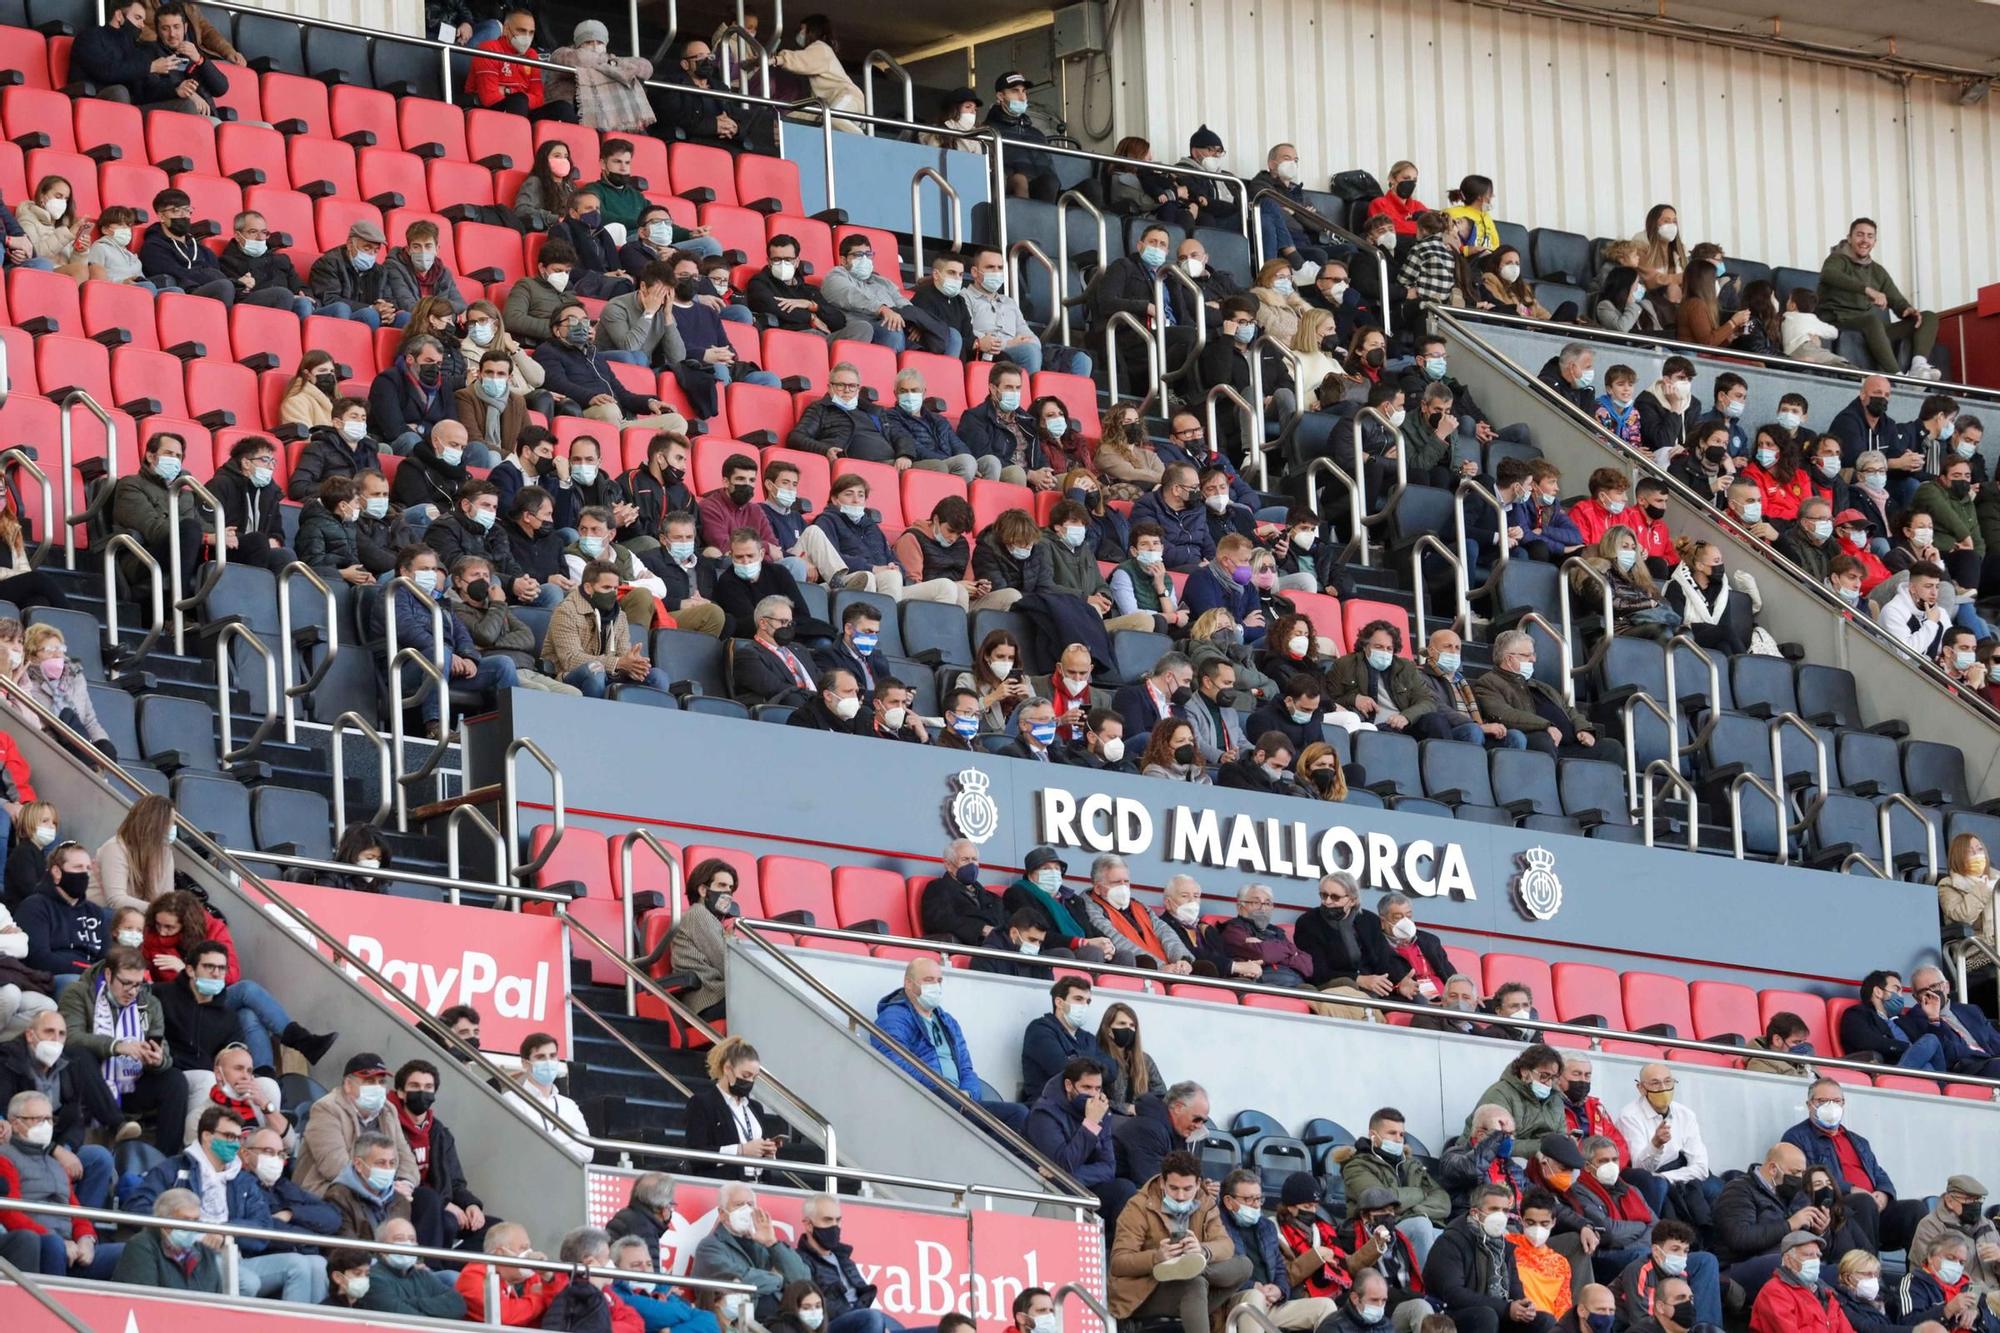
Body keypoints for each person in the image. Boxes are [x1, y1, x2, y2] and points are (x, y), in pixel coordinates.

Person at [127, 1104, 328, 1302]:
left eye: (238, 1138)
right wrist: (191, 1232)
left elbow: (263, 1226)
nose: (235, 1144)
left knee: (299, 1265)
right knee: (246, 1282)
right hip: (189, 1255)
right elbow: (137, 1206)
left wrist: (224, 1231)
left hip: (235, 1256)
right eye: (229, 1137)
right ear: (207, 1136)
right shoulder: (174, 1169)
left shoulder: (243, 1180)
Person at [870, 956, 1029, 1132]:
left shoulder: (948, 1021)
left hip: (959, 1100)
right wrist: (944, 1089)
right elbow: (894, 1061)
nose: (935, 986)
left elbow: (966, 1069)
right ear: (908, 983)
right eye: (928, 980)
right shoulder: (893, 1017)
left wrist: (967, 1094)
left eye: (939, 981)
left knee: (1019, 1114)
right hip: (926, 1098)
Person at [1109, 1149, 1253, 1333]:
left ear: (1198, 1183)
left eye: (1187, 1189)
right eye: (1174, 1188)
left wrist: (1202, 1251)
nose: (1180, 1196)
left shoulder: (1206, 1202)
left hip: (1193, 1284)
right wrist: (1157, 1257)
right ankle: (1189, 1270)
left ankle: (1193, 1268)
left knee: (1244, 1265)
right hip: (1145, 1292)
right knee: (1195, 1284)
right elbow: (1118, 1263)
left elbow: (1225, 1244)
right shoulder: (1138, 1206)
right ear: (1162, 1182)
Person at [0, 1086, 122, 1276]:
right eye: (37, 1119)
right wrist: (55, 1239)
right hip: (40, 1247)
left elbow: (75, 1209)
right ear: (15, 1124)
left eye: (49, 1119)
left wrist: (86, 1240)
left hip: (71, 1249)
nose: (45, 1125)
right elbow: (9, 1214)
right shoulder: (5, 1159)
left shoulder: (56, 1165)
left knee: (125, 1252)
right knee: (53, 1245)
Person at [1424, 1181, 1560, 1332]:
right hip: (1450, 1315)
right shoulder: (1451, 1241)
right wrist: (1506, 1308)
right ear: (1475, 1213)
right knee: (1487, 1316)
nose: (1501, 1216)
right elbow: (1454, 1294)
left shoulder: (1504, 1245)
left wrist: (1525, 1307)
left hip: (1495, 1312)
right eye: (1494, 1209)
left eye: (1504, 1210)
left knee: (1544, 1321)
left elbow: (1515, 1290)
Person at [1819, 217, 1941, 378]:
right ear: (1849, 238)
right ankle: (1898, 378)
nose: (1865, 240)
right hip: (1838, 323)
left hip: (1871, 329)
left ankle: (1918, 367)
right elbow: (1829, 275)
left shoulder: (1877, 270)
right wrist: (1867, 290)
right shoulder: (1836, 259)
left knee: (1928, 317)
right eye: (1860, 235)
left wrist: (1907, 309)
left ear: (1875, 241)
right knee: (1872, 320)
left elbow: (1895, 299)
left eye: (1870, 236)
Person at [535, 303, 686, 432]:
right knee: (609, 409)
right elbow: (558, 384)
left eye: (585, 321)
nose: (581, 326)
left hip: (617, 418)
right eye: (573, 321)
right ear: (556, 330)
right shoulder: (547, 351)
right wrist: (590, 397)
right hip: (585, 411)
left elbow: (621, 393)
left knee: (676, 421)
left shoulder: (595, 355)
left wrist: (650, 403)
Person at [1474, 631, 1621, 763]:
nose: (1533, 660)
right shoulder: (1488, 682)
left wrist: (1583, 729)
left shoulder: (1542, 686)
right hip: (1540, 742)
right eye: (1527, 655)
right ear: (1509, 659)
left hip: (1571, 745)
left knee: (1612, 747)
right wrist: (1546, 725)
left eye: (1534, 654)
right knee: (1542, 740)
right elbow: (1504, 714)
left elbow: (1569, 710)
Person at [1337, 1108, 1449, 1264]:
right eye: (1392, 1133)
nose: (1398, 1139)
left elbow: (1443, 1200)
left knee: (1455, 1235)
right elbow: (1380, 1201)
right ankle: (1426, 1287)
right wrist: (1420, 1193)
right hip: (1375, 1232)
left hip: (1415, 1223)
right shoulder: (1356, 1165)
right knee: (1420, 1226)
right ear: (1373, 1135)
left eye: (1401, 1134)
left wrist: (1414, 1211)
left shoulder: (1410, 1164)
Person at [691, 1180, 814, 1320]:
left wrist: (772, 1243)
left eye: (750, 1205)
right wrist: (779, 1279)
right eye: (739, 1205)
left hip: (782, 1319)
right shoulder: (709, 1247)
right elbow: (739, 1281)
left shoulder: (764, 1243)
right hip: (743, 1323)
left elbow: (802, 1279)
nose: (746, 1210)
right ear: (722, 1213)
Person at [75, 0, 226, 113]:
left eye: (176, 27)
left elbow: (221, 88)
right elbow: (106, 71)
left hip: (134, 107)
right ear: (119, 16)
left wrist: (200, 61)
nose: (142, 25)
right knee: (119, 91)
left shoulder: (135, 46)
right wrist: (152, 68)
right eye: (138, 18)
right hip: (94, 99)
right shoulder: (90, 36)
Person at [682, 1033, 785, 1182]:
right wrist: (740, 1150)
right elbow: (696, 1154)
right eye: (746, 1074)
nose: (749, 1081)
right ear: (728, 1069)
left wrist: (767, 1151)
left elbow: (755, 1149)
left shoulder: (755, 1107)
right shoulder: (703, 1103)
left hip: (758, 1184)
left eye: (754, 1078)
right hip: (724, 1187)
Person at [108, 432, 202, 590]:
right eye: (168, 453)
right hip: (142, 555)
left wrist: (224, 535)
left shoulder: (185, 494)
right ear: (151, 457)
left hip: (185, 550)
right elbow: (152, 528)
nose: (174, 459)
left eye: (178, 456)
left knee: (251, 542)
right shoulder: (131, 485)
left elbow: (203, 525)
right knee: (190, 529)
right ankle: (178, 607)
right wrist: (204, 537)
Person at [467, 6, 577, 122]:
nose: (527, 37)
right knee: (518, 100)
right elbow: (489, 98)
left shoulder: (531, 55)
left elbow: (539, 99)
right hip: (485, 109)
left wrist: (507, 91)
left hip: (521, 109)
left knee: (563, 108)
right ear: (505, 30)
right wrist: (520, 97)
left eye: (531, 32)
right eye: (521, 31)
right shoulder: (489, 48)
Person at [204, 436, 293, 573]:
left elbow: (277, 532)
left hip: (259, 550)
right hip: (224, 549)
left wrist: (275, 540)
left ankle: (272, 594)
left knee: (285, 556)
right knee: (258, 540)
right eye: (264, 460)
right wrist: (255, 541)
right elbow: (206, 524)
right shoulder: (220, 484)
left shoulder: (270, 492)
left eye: (273, 461)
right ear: (246, 463)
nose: (270, 466)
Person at [136, 188, 238, 304]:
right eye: (176, 211)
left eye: (187, 210)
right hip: (184, 295)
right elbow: (173, 274)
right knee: (224, 286)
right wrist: (209, 275)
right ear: (162, 216)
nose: (184, 215)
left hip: (208, 295)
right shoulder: (153, 247)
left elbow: (217, 273)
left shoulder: (203, 251)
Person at [111, 1188, 220, 1290]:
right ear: (164, 1221)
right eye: (185, 1220)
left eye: (196, 1220)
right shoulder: (141, 1247)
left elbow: (219, 1300)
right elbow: (143, 1301)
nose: (191, 1227)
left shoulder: (205, 1252)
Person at [1903, 964, 2000, 1076]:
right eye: (1924, 991)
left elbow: (1994, 1039)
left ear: (1947, 987)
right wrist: (1933, 1017)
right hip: (1966, 1068)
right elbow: (1945, 1052)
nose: (1931, 993)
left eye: (1935, 986)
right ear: (1916, 998)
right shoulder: (1915, 1017)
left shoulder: (1970, 1010)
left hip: (1991, 1061)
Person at [457, 1221, 560, 1324]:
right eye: (523, 1248)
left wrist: (548, 1276)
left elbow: (558, 1306)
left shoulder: (530, 1275)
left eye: (529, 1248)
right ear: (500, 1254)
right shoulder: (473, 1276)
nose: (530, 1254)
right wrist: (539, 1296)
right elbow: (502, 1316)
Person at [1746, 1232, 1851, 1333]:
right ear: (1788, 1259)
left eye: (1818, 1255)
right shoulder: (1774, 1292)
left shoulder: (1827, 1293)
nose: (1816, 1260)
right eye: (1809, 1255)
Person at [309, 219, 405, 330]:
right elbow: (329, 299)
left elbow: (390, 299)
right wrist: (371, 308)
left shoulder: (380, 271)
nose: (371, 255)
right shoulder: (328, 263)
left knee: (404, 318)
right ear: (350, 244)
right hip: (339, 318)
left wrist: (388, 311)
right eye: (367, 248)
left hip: (373, 316)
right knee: (370, 315)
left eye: (376, 250)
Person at [1021, 975, 1109, 1095]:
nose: (1084, 1005)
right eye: (1078, 999)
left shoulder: (1088, 1038)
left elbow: (1111, 1071)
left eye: (1087, 1001)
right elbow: (1062, 1069)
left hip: (1086, 1104)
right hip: (1047, 1106)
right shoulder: (1039, 1030)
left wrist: (1074, 1058)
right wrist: (1091, 1062)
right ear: (1059, 1002)